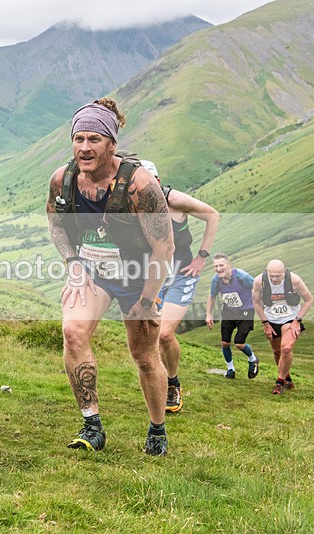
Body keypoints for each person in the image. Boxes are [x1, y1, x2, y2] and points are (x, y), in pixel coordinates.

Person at [46, 99, 175, 456]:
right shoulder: (63, 179)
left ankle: (157, 429)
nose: (84, 147)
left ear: (111, 144)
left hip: (138, 275)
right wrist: (73, 263)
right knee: (72, 333)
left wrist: (147, 301)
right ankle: (92, 426)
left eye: (94, 139)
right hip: (93, 271)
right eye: (79, 138)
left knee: (145, 355)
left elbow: (164, 248)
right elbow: (56, 227)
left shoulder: (139, 185)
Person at [141, 160, 219, 413]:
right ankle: (159, 383)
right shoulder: (131, 206)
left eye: (151, 182)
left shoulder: (175, 200)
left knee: (164, 334)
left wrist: (202, 257)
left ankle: (172, 383)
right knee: (150, 338)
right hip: (151, 279)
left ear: (158, 181)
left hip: (181, 276)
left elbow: (212, 215)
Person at [252, 260, 314, 395]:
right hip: (271, 319)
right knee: (276, 351)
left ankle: (279, 383)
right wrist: (265, 324)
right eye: (271, 275)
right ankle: (287, 378)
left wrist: (297, 321)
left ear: (284, 272)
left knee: (286, 348)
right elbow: (256, 303)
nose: (274, 279)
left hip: (290, 319)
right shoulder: (259, 281)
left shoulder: (294, 280)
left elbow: (309, 300)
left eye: (278, 276)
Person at [205, 253, 260, 380]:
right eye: (216, 266)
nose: (218, 269)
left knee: (239, 344)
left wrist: (257, 305)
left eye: (221, 265)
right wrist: (208, 314)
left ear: (228, 265)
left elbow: (256, 288)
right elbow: (212, 296)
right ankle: (230, 369)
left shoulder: (242, 276)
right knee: (225, 343)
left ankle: (253, 359)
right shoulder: (216, 280)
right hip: (229, 312)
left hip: (246, 313)